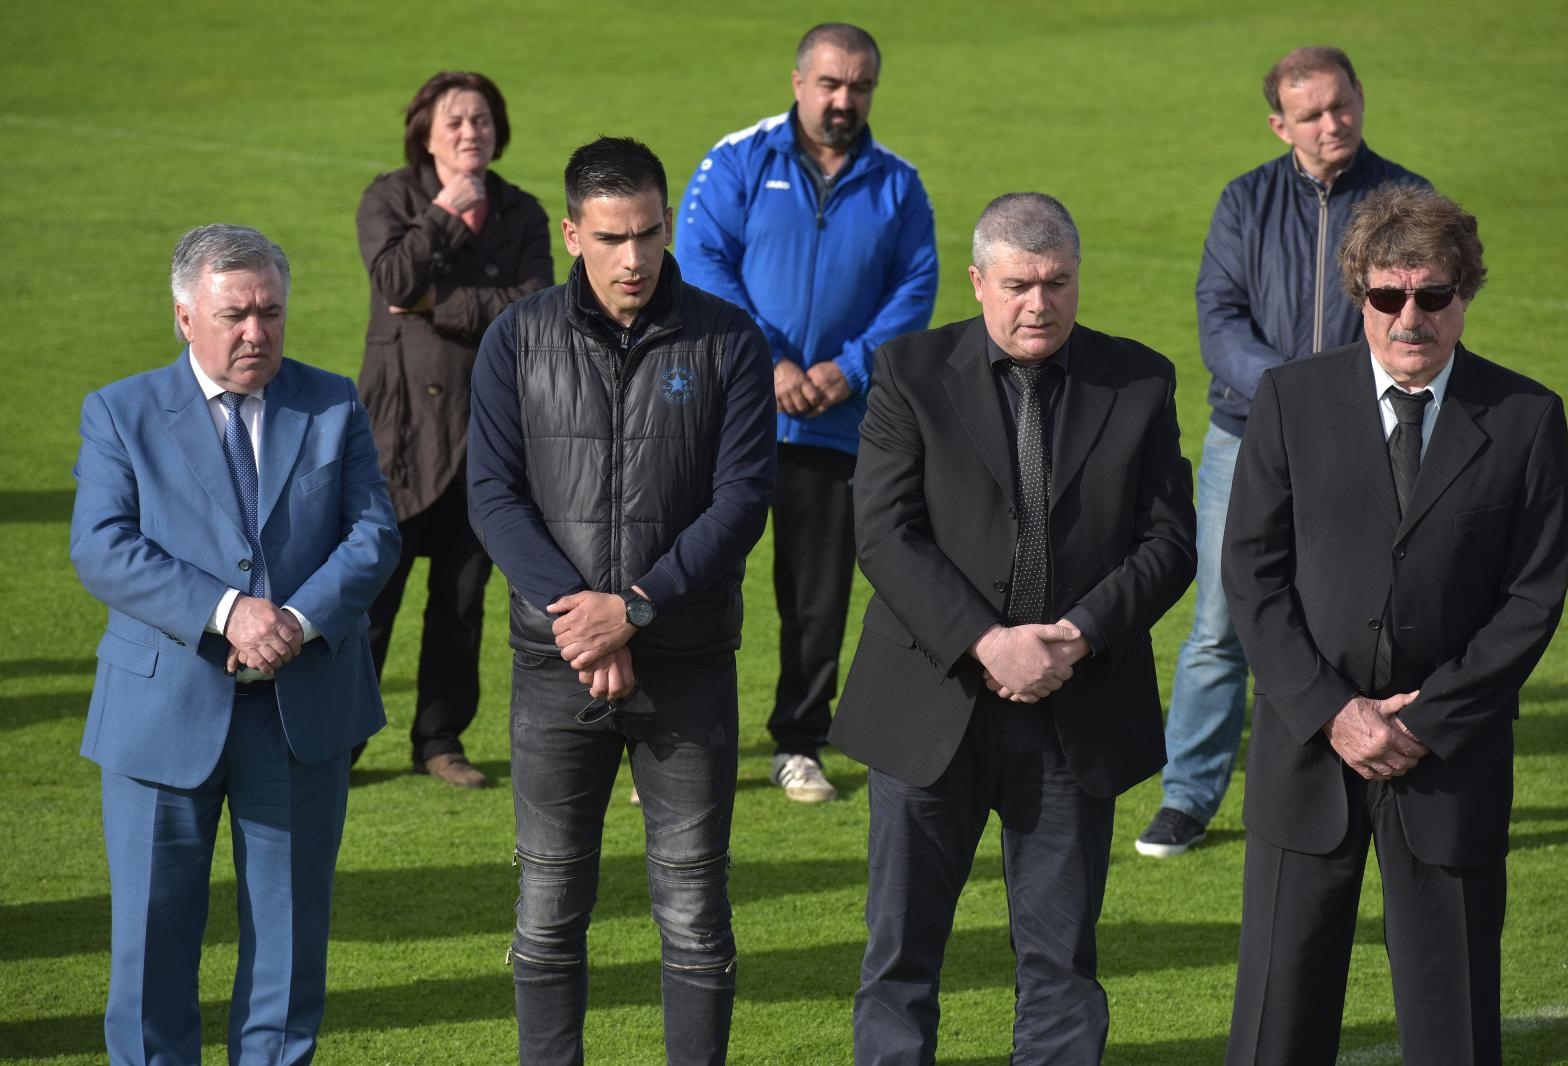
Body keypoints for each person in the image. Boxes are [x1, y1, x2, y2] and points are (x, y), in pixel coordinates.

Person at [829, 193, 1197, 1063]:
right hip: (931, 705)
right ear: (978, 283)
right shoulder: (909, 372)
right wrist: (990, 642)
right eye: (1020, 285)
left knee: (1062, 960)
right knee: (900, 958)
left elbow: (1170, 539)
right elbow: (885, 535)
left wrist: (1073, 636)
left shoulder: (1138, 380)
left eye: (1058, 283)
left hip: (1076, 710)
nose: (1040, 304)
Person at [1222, 184, 1568, 1065]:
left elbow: (1532, 598)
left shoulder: (1527, 417)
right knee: (1277, 1022)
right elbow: (1252, 577)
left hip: (1450, 765)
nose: (1409, 317)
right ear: (1360, 295)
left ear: (1464, 295)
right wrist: (1334, 711)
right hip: (1307, 755)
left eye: (1432, 295)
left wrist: (1423, 721)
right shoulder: (1290, 401)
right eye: (1388, 296)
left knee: (1452, 1022)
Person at [467, 136, 775, 1065]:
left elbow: (743, 497)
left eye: (648, 232)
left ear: (668, 221)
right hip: (555, 668)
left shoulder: (728, 339)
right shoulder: (515, 338)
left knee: (692, 909)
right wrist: (584, 619)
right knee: (549, 905)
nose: (634, 258)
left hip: (685, 669)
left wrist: (635, 608)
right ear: (571, 233)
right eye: (610, 238)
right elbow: (492, 495)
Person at [69, 224, 400, 1064]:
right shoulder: (120, 411)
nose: (257, 333)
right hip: (161, 713)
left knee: (288, 964)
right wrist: (228, 611)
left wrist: (291, 619)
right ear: (186, 317)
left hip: (298, 717)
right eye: (235, 315)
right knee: (151, 955)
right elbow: (101, 546)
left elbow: (372, 537)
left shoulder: (331, 402)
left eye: (271, 313)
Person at [1138, 45, 1430, 858]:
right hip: (1248, 440)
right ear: (1280, 125)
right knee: (1219, 624)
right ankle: (1188, 796)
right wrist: (1296, 400)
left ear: (1361, 100)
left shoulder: (1407, 202)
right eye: (1312, 114)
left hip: (1379, 440)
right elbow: (1218, 320)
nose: (1332, 123)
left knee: (1378, 613)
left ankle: (1397, 767)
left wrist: (1342, 400)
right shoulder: (1244, 201)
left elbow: (1421, 320)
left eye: (1342, 105)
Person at [677, 22, 938, 803]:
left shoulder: (899, 184)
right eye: (830, 83)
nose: (843, 100)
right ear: (798, 82)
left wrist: (847, 369)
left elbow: (915, 287)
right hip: (729, 411)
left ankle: (799, 742)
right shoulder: (738, 159)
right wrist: (772, 360)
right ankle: (676, 737)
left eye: (859, 86)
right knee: (690, 575)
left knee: (818, 592)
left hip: (833, 419)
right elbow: (700, 263)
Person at [355, 70, 554, 788]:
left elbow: (532, 311)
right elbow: (392, 285)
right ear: (425, 132)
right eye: (456, 122)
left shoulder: (524, 213)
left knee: (461, 604)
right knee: (370, 599)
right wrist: (441, 215)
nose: (472, 132)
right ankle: (336, 744)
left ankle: (440, 741)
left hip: (486, 438)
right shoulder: (391, 198)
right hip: (397, 439)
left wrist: (439, 301)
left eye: (482, 120)